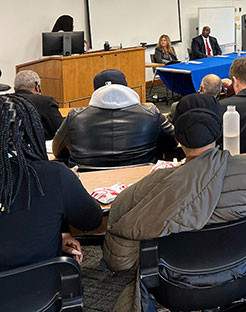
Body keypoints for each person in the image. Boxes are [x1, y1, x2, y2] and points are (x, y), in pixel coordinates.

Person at [103, 94, 246, 311]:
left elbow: (118, 259)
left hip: (173, 289)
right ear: (219, 132)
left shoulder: (146, 190)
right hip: (244, 277)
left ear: (178, 138)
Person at [0, 94, 102, 272]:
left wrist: (58, 235)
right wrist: (69, 184)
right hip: (43, 292)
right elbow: (91, 221)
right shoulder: (54, 175)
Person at [53, 69, 175, 168]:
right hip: (140, 181)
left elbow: (57, 151)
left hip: (87, 184)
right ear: (126, 88)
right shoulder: (151, 113)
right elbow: (172, 142)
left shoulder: (75, 117)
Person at [13, 70, 64, 139]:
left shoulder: (5, 101)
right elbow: (61, 130)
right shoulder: (45, 101)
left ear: (15, 88)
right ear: (37, 87)